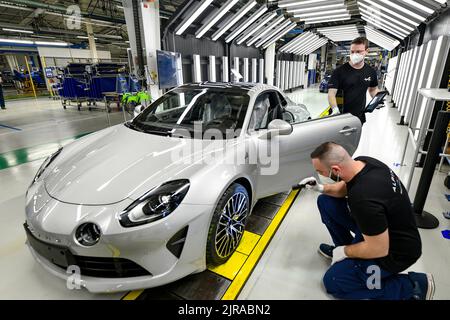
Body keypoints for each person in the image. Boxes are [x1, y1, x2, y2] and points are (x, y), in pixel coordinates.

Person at [297, 142, 435, 300]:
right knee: (326, 202)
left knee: (334, 281)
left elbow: (378, 249)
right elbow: (344, 188)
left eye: (320, 171)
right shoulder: (364, 163)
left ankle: (413, 286)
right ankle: (348, 257)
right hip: (380, 230)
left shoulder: (362, 199)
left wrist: (343, 252)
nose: (319, 174)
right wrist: (320, 188)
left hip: (394, 251)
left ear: (335, 170)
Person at [328, 37, 379, 124]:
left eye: (358, 51)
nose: (354, 54)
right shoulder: (339, 71)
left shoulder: (370, 71)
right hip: (339, 115)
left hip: (358, 117)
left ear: (367, 51)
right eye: (352, 52)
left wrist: (377, 100)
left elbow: (373, 89)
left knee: (355, 138)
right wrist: (335, 109)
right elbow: (331, 93)